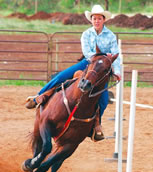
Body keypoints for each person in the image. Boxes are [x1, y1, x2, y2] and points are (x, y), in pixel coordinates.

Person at [25, 4, 121, 141]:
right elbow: (87, 52)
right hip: (88, 63)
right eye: (95, 18)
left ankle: (96, 125)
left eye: (99, 18)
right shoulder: (86, 34)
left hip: (101, 70)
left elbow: (116, 55)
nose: (97, 21)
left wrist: (117, 71)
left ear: (104, 20)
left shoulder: (110, 36)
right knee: (60, 77)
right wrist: (99, 59)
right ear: (91, 20)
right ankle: (38, 97)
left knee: (104, 100)